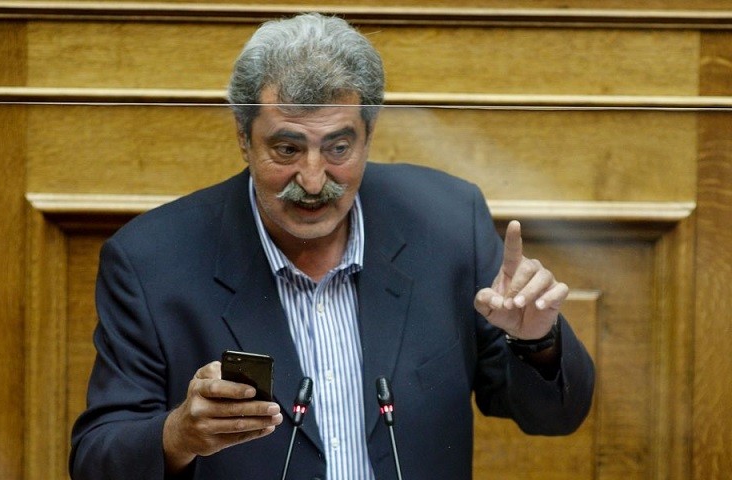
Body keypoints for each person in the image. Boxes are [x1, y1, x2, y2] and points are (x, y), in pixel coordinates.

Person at [70, 12, 595, 480]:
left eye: (338, 147)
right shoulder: (151, 261)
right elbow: (96, 458)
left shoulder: (448, 224)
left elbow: (554, 416)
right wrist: (179, 435)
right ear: (243, 137)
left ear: (369, 134)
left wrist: (537, 342)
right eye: (287, 148)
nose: (314, 180)